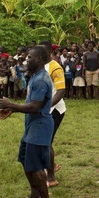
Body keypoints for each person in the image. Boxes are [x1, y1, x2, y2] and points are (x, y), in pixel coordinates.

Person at [0, 46, 57, 198]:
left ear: (38, 59)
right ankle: (35, 195)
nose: (25, 60)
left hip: (40, 128)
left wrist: (11, 105)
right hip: (31, 126)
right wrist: (13, 110)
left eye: (29, 57)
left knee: (36, 165)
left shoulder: (40, 80)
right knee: (26, 161)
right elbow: (32, 104)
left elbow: (35, 107)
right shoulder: (34, 76)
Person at [39, 41, 67, 187]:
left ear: (50, 52)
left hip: (54, 109)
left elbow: (61, 91)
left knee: (46, 142)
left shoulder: (55, 67)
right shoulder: (39, 66)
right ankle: (52, 165)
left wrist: (46, 107)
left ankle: (51, 178)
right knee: (43, 142)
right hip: (41, 109)